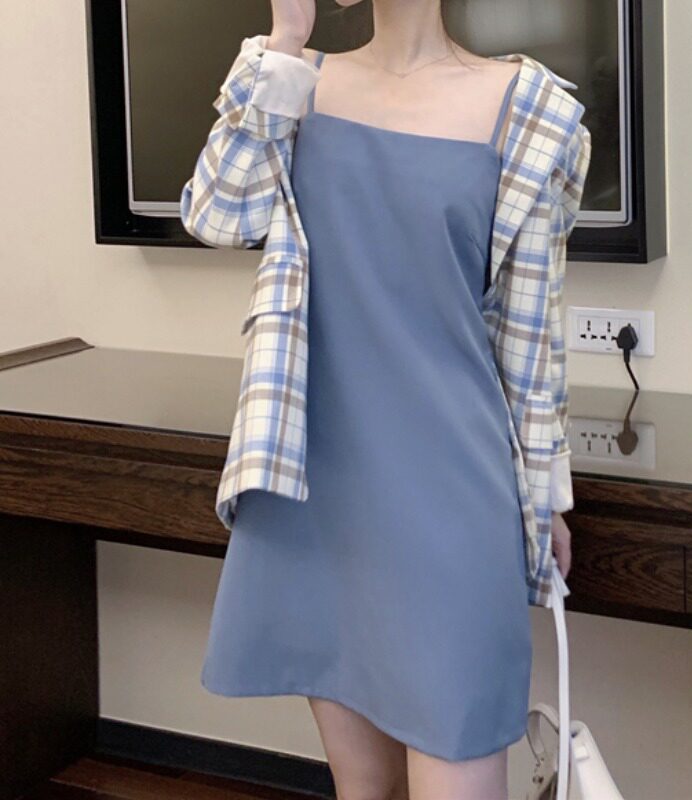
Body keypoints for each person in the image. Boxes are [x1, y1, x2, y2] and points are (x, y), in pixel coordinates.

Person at [181, 1, 590, 797]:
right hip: (321, 496)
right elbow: (216, 214)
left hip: (454, 503)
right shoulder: (296, 80)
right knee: (364, 789)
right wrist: (283, 43)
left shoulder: (532, 108)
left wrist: (545, 497)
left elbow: (530, 335)